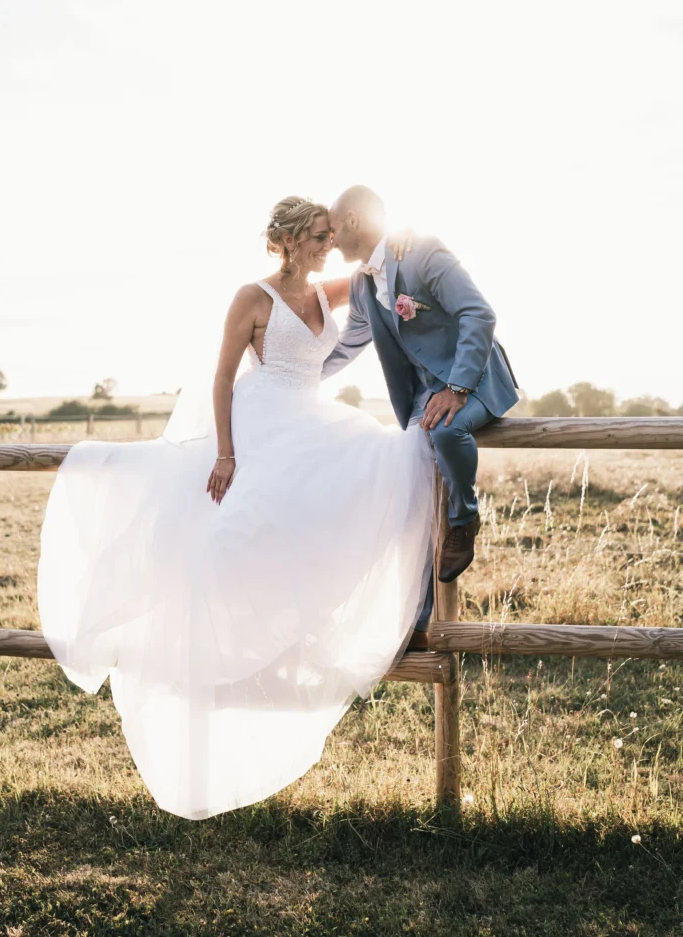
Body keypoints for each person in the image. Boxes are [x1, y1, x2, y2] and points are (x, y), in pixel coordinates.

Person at [37, 196, 437, 821]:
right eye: (318, 236)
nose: (328, 245)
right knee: (237, 533)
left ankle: (310, 628)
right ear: (288, 240)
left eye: (330, 235)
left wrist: (402, 242)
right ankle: (228, 652)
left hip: (309, 418)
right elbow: (222, 378)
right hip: (259, 421)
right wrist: (225, 453)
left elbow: (372, 272)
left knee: (378, 466)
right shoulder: (252, 298)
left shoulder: (326, 290)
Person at [323, 185, 519, 630]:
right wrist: (294, 376)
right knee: (410, 501)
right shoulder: (361, 285)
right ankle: (419, 621)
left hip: (473, 380)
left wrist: (457, 388)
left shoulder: (422, 252)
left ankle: (464, 520)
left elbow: (479, 314)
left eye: (332, 229)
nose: (330, 240)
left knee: (446, 430)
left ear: (352, 220)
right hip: (420, 398)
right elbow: (348, 345)